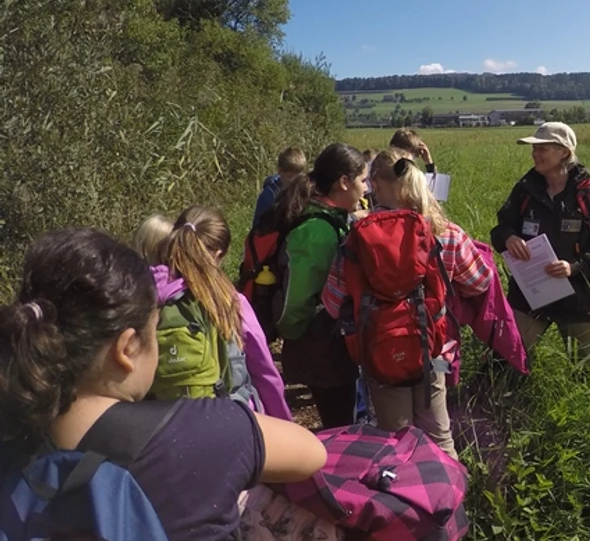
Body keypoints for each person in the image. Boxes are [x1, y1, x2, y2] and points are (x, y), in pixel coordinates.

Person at [0, 228, 325, 541]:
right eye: (153, 330)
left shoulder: (14, 437)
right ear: (127, 349)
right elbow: (311, 454)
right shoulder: (203, 431)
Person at [322, 149, 494, 458]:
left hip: (381, 354)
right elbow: (480, 281)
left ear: (375, 183)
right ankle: (451, 503)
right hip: (433, 348)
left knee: (396, 447)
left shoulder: (357, 237)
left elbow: (334, 302)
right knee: (441, 440)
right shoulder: (445, 231)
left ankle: (405, 500)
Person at [491, 122, 590, 366]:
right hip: (529, 294)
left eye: (543, 149)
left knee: (587, 373)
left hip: (578, 298)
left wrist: (575, 267)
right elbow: (500, 228)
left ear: (564, 152)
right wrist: (509, 238)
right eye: (534, 149)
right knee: (506, 361)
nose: (535, 154)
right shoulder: (524, 190)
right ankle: (499, 402)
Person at [149, 205, 292, 420]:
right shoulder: (229, 301)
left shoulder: (143, 295)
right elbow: (264, 372)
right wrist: (284, 422)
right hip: (230, 421)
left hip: (161, 426)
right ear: (217, 254)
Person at [271, 142, 367, 429]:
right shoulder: (317, 232)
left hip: (328, 342)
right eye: (363, 180)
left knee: (340, 419)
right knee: (339, 426)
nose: (366, 189)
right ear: (344, 182)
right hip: (322, 346)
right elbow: (296, 300)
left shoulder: (332, 221)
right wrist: (294, 334)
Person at [252, 146, 307, 229]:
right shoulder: (269, 195)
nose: (294, 181)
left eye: (298, 177)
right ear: (280, 172)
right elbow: (257, 226)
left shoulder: (305, 191)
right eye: (289, 177)